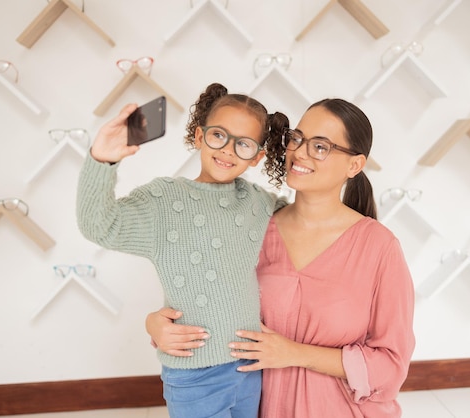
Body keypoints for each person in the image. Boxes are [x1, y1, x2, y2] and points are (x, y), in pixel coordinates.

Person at [146, 98, 416, 417]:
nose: (299, 152)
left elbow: (390, 366)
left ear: (354, 165)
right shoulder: (254, 229)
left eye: (320, 146)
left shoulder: (379, 247)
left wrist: (295, 353)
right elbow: (208, 311)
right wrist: (155, 326)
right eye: (297, 139)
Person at [76, 82, 289, 418]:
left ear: (258, 156)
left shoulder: (259, 203)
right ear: (200, 136)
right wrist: (102, 159)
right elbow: (99, 225)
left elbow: (308, 222)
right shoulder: (164, 200)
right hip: (194, 375)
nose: (229, 150)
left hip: (251, 367)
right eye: (219, 135)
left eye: (244, 144)